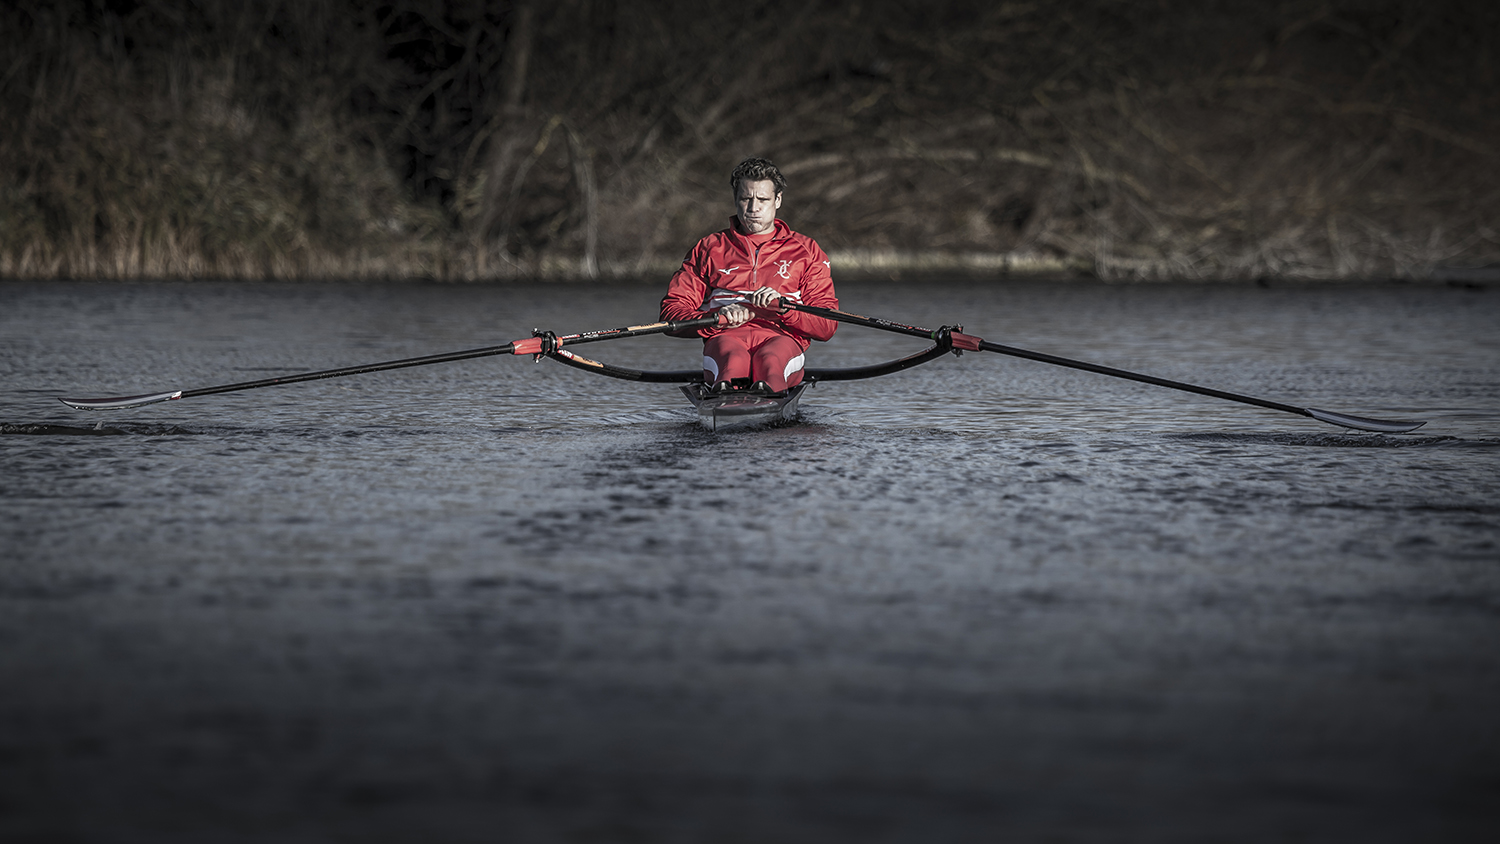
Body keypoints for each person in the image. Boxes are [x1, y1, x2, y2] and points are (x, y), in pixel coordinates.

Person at [660, 157, 838, 394]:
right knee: (732, 359)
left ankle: (758, 401)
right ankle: (732, 402)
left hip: (781, 338)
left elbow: (827, 325)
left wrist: (786, 309)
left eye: (763, 200)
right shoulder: (708, 248)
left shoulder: (807, 250)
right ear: (736, 200)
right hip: (725, 337)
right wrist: (717, 317)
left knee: (770, 360)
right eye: (746, 199)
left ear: (778, 200)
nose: (754, 208)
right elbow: (671, 314)